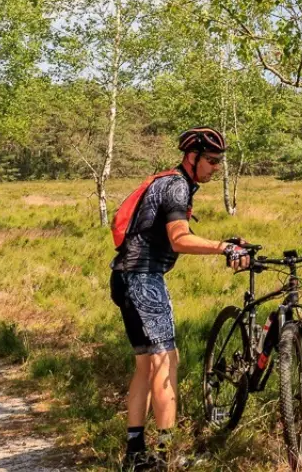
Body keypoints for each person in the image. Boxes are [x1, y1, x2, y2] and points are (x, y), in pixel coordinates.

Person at [110, 127, 251, 471]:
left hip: (126, 278)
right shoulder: (176, 186)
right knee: (166, 363)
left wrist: (224, 244)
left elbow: (174, 234)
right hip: (143, 280)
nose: (216, 168)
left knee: (146, 365)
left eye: (218, 162)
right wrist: (224, 248)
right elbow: (178, 239)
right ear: (192, 157)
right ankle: (165, 456)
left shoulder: (170, 182)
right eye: (212, 161)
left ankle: (135, 454)